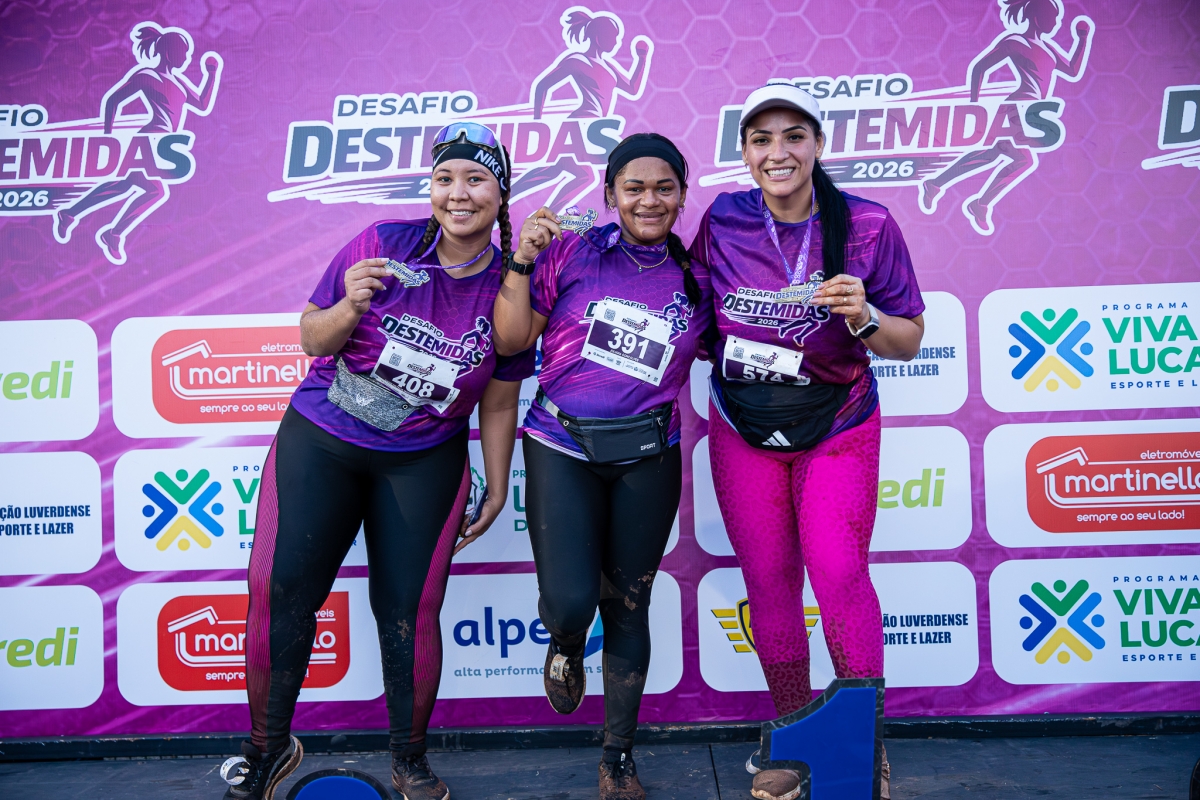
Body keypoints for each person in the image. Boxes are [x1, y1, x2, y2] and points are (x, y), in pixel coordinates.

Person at [220, 122, 533, 800]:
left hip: (422, 460)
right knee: (279, 590)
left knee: (410, 612)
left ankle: (409, 760)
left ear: (501, 193)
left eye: (476, 180)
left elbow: (501, 397)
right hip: (323, 440)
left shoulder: (511, 282)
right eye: (445, 179)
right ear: (431, 187)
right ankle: (266, 750)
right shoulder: (383, 241)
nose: (458, 194)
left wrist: (498, 483)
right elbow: (312, 337)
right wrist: (348, 304)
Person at [690, 84, 925, 800]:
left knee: (840, 574)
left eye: (794, 136)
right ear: (744, 153)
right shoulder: (724, 218)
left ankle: (858, 749)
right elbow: (693, 317)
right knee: (769, 584)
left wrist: (863, 318)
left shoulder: (868, 224)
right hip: (744, 425)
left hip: (838, 425)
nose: (778, 152)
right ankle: (795, 740)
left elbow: (909, 341)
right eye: (762, 139)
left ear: (818, 144)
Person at [492, 133, 712, 800]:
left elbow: (743, 346)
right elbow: (511, 339)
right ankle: (564, 641)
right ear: (610, 194)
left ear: (681, 195)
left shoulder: (698, 278)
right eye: (634, 187)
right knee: (571, 603)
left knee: (628, 605)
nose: (649, 199)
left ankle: (618, 758)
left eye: (664, 187)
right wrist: (522, 261)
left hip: (648, 455)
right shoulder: (570, 251)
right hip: (561, 446)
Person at [919, 0, 1093, 234]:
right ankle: (977, 203)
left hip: (1033, 112)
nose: (1056, 22)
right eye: (1053, 17)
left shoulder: (1049, 49)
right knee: (1023, 160)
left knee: (993, 154)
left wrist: (1082, 38)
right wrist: (975, 105)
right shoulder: (1016, 42)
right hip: (1016, 107)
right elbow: (980, 67)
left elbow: (1072, 70)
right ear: (1037, 17)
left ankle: (937, 184)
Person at [53, 22, 222, 264]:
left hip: (164, 144)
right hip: (148, 139)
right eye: (182, 52)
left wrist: (212, 74)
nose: (186, 58)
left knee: (124, 185)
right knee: (155, 191)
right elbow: (113, 100)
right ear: (168, 52)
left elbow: (203, 104)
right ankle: (111, 233)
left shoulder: (180, 83)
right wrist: (108, 136)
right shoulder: (147, 76)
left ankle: (71, 214)